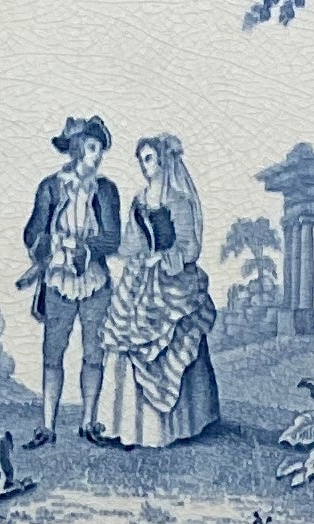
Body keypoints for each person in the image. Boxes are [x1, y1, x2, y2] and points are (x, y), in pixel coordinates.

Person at [94, 135, 221, 448]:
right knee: (126, 338)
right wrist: (107, 245)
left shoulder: (178, 200)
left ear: (163, 159)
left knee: (174, 343)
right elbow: (131, 243)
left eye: (149, 158)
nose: (144, 165)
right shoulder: (139, 199)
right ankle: (125, 427)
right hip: (141, 279)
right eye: (141, 159)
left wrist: (163, 259)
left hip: (173, 282)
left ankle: (172, 427)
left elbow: (190, 248)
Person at [18, 115, 119, 447]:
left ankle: (89, 422)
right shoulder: (50, 187)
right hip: (59, 280)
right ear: (76, 149)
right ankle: (47, 426)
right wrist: (50, 245)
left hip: (94, 280)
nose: (97, 156)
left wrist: (85, 248)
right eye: (91, 148)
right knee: (53, 353)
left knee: (94, 353)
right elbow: (32, 232)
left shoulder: (106, 190)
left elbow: (112, 239)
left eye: (99, 149)